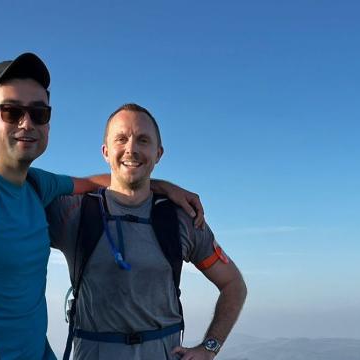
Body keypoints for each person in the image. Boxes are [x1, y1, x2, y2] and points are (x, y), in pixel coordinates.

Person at [0, 53, 203, 360]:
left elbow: (96, 182)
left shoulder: (38, 185)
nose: (27, 122)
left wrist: (158, 185)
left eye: (39, 113)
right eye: (11, 112)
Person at [45, 103, 247, 360]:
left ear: (158, 153)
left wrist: (209, 347)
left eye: (142, 140)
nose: (131, 148)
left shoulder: (181, 217)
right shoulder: (74, 211)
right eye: (121, 139)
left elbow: (233, 284)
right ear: (106, 152)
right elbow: (15, 199)